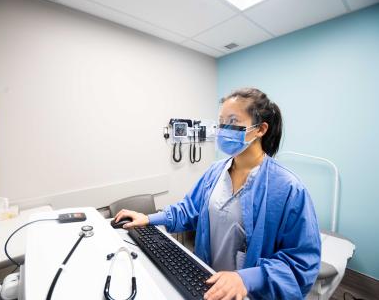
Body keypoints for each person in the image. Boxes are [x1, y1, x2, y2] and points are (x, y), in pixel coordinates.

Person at [114, 88, 321, 299]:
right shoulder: (215, 171)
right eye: (221, 122)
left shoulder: (288, 188)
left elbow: (301, 262)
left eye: (232, 121)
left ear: (260, 129)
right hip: (205, 282)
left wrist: (247, 278)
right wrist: (148, 218)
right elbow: (188, 210)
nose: (223, 129)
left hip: (250, 293)